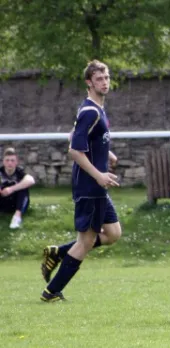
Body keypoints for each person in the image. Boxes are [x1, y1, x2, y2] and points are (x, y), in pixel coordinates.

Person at [39, 60, 121, 302]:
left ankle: (58, 252)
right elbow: (74, 149)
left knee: (113, 233)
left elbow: (74, 135)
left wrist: (108, 154)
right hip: (90, 186)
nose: (104, 83)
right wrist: (99, 175)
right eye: (99, 79)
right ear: (89, 82)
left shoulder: (95, 108)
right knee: (85, 242)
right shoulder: (90, 111)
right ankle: (52, 291)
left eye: (106, 78)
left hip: (96, 187)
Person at [0, 147, 35, 229]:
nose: (10, 163)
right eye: (7, 160)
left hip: (16, 204)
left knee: (23, 187)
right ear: (3, 162)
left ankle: (17, 217)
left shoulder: (20, 172)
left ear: (16, 162)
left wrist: (11, 189)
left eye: (12, 160)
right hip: (2, 201)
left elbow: (31, 180)